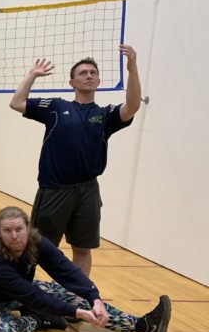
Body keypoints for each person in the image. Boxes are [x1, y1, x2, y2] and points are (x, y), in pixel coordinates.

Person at [9, 46, 142, 276]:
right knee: (36, 247)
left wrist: (132, 68)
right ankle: (23, 295)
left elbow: (133, 106)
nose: (89, 75)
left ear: (98, 81)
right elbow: (17, 103)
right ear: (72, 82)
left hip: (88, 191)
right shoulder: (56, 107)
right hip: (54, 190)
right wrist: (32, 74)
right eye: (83, 73)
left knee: (82, 248)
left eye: (92, 73)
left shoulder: (105, 114)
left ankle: (78, 298)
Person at [0, 206, 171, 332]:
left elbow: (66, 270)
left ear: (28, 228)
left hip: (23, 291)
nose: (15, 235)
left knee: (80, 300)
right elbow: (31, 296)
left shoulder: (38, 243)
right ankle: (39, 318)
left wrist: (94, 298)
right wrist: (75, 313)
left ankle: (144, 325)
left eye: (19, 229)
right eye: (8, 230)